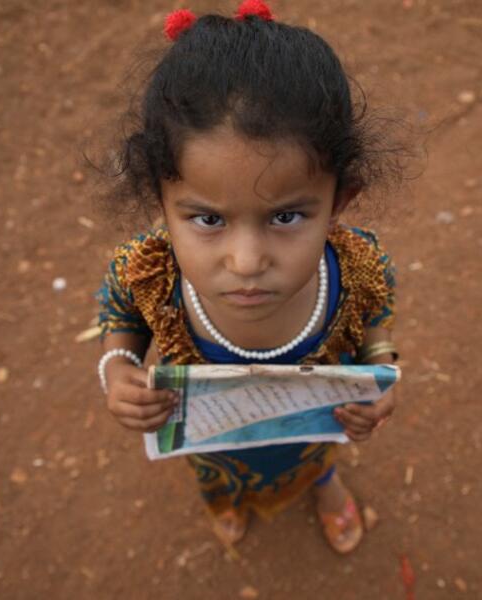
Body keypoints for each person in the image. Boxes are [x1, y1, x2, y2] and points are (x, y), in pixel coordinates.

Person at [95, 0, 401, 554]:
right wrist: (118, 370)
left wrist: (380, 373)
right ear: (159, 201)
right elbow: (120, 310)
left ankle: (324, 485)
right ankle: (225, 500)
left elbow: (376, 315)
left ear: (339, 201)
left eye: (286, 216)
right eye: (208, 219)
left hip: (312, 429)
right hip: (212, 439)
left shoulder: (358, 268)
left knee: (313, 459)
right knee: (215, 476)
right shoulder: (148, 270)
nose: (246, 261)